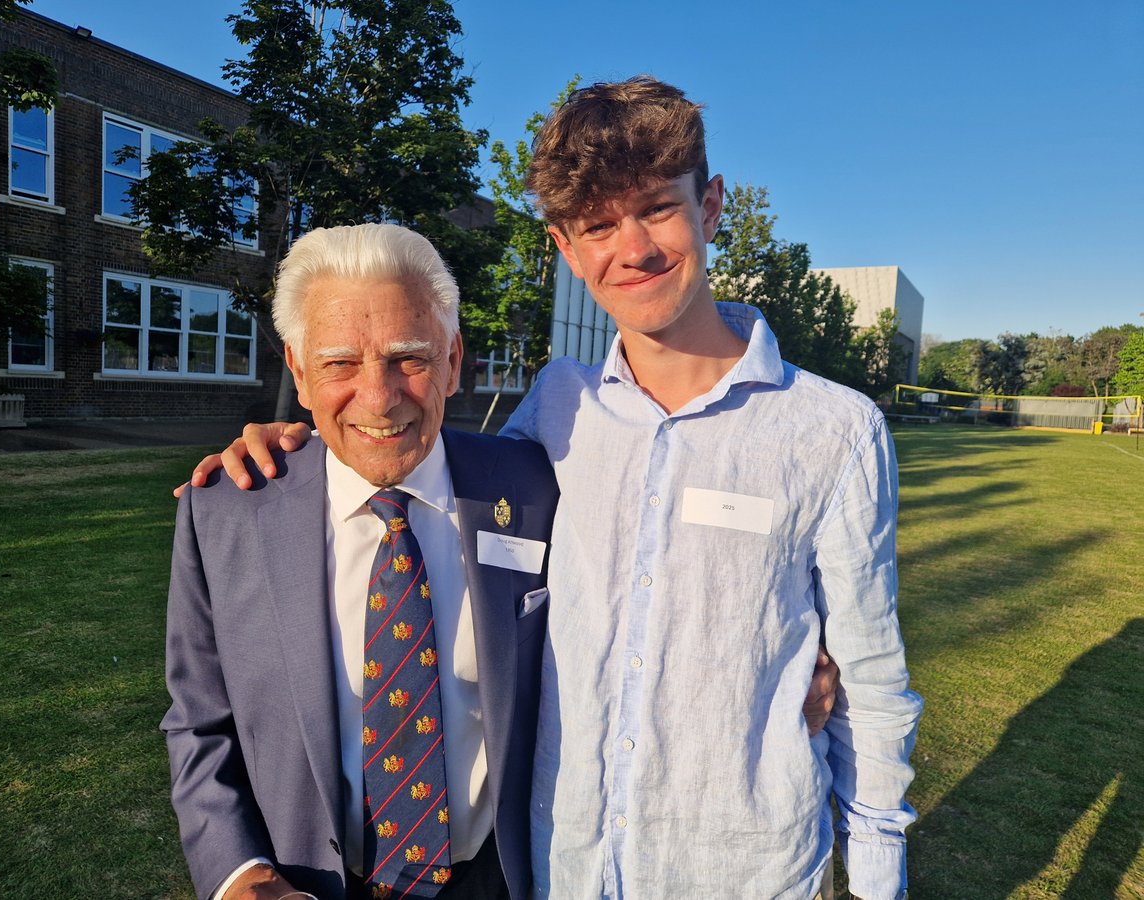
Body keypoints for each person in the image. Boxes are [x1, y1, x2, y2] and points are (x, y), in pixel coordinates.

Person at [187, 77, 919, 900]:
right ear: (567, 250)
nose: (631, 247)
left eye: (657, 208)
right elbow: (415, 467)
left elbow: (875, 685)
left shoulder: (835, 431)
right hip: (560, 869)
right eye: (598, 225)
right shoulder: (556, 410)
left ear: (712, 206)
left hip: (744, 870)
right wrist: (299, 444)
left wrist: (875, 877)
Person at [162, 224, 560, 900]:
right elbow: (199, 721)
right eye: (340, 363)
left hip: (498, 879)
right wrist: (237, 875)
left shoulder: (533, 487)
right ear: (299, 371)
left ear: (455, 359)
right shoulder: (227, 510)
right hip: (307, 883)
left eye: (409, 357)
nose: (379, 397)